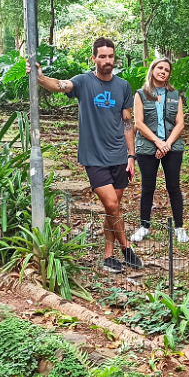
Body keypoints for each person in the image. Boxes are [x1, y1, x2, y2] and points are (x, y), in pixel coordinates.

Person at [27, 37, 143, 273]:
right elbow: (60, 85)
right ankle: (126, 248)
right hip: (94, 157)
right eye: (102, 56)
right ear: (94, 58)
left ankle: (109, 257)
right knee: (111, 204)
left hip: (120, 156)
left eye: (110, 56)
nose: (107, 60)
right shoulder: (83, 82)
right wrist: (39, 78)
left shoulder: (122, 86)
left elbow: (128, 122)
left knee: (114, 209)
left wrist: (132, 156)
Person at [129, 58, 189, 244]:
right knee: (148, 187)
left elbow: (180, 123)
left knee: (174, 187)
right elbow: (139, 123)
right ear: (153, 69)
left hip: (172, 146)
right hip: (147, 147)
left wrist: (167, 144)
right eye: (160, 68)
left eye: (167, 70)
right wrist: (157, 142)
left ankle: (179, 228)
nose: (163, 71)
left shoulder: (174, 94)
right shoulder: (141, 94)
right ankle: (144, 227)